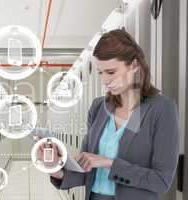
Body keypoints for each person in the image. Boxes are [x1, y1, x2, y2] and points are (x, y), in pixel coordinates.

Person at [48, 29, 180, 200]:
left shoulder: (161, 109)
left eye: (110, 72)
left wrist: (109, 163)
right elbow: (87, 170)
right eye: (100, 73)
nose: (104, 81)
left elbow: (161, 181)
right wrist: (56, 169)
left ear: (134, 66)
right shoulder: (98, 107)